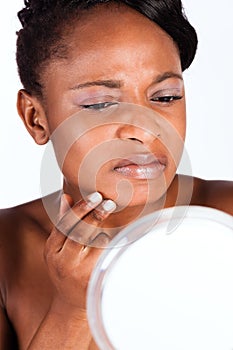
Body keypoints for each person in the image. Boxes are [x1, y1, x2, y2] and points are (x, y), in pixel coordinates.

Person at [0, 0, 232, 349]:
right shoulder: (8, 250)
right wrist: (72, 308)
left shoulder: (224, 221)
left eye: (166, 97)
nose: (145, 128)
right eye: (99, 104)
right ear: (36, 118)